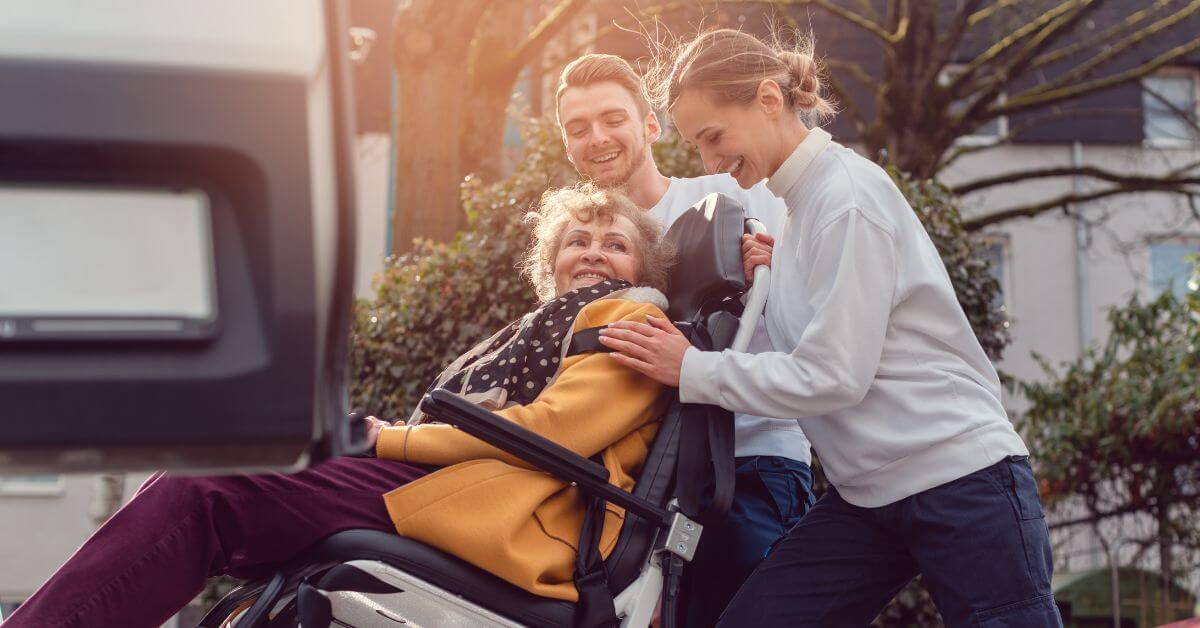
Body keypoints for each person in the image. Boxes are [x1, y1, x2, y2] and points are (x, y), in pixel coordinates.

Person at [7, 184, 676, 628]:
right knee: (218, 475)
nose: (592, 253)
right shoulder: (541, 326)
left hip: (515, 514)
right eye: (576, 242)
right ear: (549, 264)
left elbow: (551, 432)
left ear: (643, 269)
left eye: (615, 243)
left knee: (211, 489)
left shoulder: (630, 318)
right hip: (460, 483)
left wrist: (388, 441)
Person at [597, 29, 1063, 627]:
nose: (710, 163)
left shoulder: (845, 198)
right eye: (697, 147)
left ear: (769, 99)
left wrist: (690, 368)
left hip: (960, 478)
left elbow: (833, 374)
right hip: (867, 496)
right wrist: (771, 276)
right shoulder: (795, 212)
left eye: (713, 138)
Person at [554, 52, 816, 626]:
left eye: (612, 119)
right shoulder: (585, 250)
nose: (597, 138)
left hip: (746, 461)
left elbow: (818, 301)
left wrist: (779, 265)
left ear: (650, 125)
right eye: (578, 128)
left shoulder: (735, 193)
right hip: (638, 489)